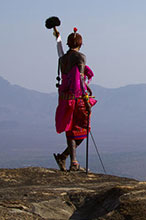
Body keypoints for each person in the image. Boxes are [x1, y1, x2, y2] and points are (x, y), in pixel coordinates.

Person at [52, 27, 96, 171]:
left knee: (70, 129)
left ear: (68, 43)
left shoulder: (62, 59)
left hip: (64, 98)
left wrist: (57, 37)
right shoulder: (80, 57)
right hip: (77, 98)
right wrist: (86, 99)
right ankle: (71, 161)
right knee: (84, 129)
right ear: (81, 44)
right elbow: (81, 79)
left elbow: (59, 50)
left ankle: (70, 160)